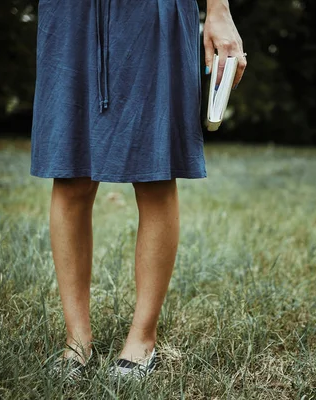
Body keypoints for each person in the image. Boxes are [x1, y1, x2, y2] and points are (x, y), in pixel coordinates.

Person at [30, 0, 246, 380]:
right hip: (70, 12)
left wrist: (219, 9)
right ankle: (76, 340)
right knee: (70, 170)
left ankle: (142, 339)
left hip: (153, 10)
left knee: (155, 171)